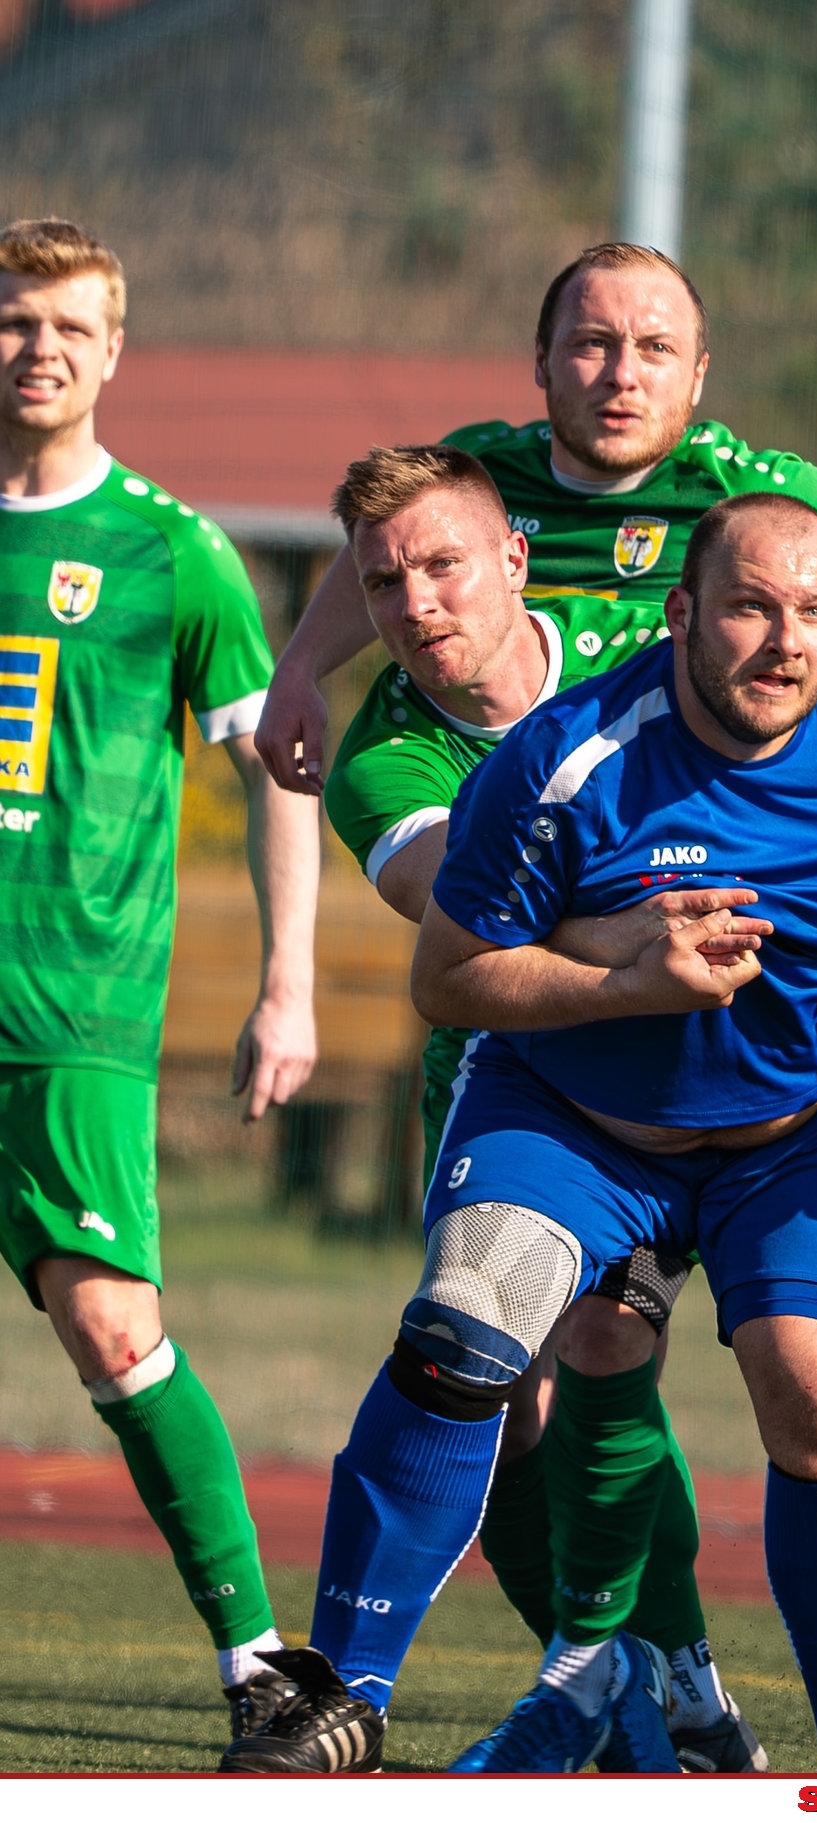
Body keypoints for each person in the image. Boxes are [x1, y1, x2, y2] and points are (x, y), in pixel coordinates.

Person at [254, 242, 817, 1752]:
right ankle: (492, 1677)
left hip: (785, 1106)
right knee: (491, 1333)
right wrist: (633, 961)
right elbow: (454, 959)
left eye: (447, 570)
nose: (421, 604)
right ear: (681, 614)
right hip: (570, 1094)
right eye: (390, 585)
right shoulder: (493, 751)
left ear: (519, 562)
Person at [0, 219, 320, 1757]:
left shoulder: (170, 550)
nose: (38, 348)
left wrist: (290, 981)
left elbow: (279, 768)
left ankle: (260, 1660)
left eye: (69, 324)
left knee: (114, 1325)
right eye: (14, 320)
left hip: (73, 1016)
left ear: (115, 350)